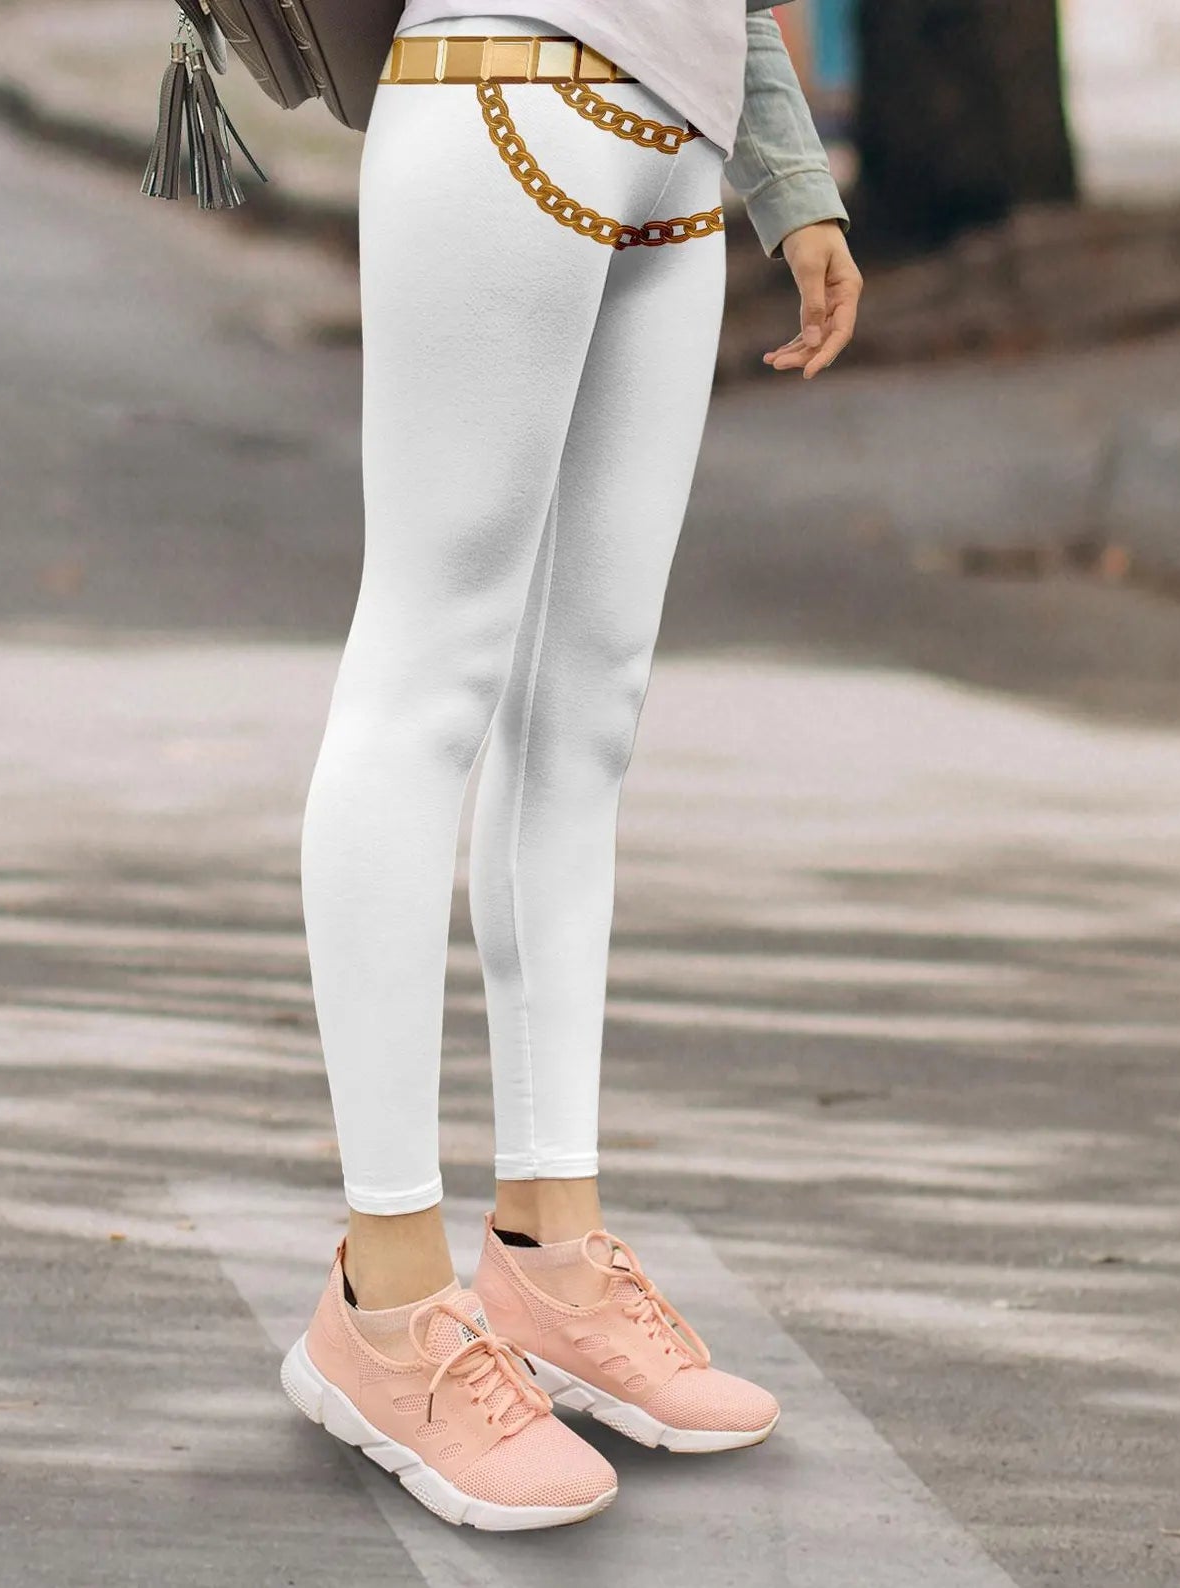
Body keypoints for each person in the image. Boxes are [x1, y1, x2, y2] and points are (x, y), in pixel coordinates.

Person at [280, 2, 863, 1530]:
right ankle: (385, 1301)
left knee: (587, 704)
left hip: (677, 141)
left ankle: (549, 1254)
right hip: (504, 89)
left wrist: (787, 178)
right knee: (428, 682)